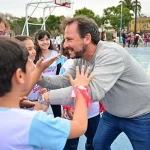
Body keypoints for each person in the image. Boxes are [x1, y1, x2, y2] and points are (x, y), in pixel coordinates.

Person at [26, 16, 150, 150]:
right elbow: (65, 80)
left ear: (87, 38)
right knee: (99, 145)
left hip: (140, 115)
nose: (65, 44)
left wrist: (47, 97)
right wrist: (39, 78)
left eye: (69, 39)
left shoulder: (110, 54)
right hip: (113, 113)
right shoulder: (82, 58)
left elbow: (91, 91)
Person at [0, 36, 94, 150]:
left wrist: (39, 70)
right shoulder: (32, 123)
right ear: (20, 75)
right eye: (28, 61)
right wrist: (81, 89)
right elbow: (79, 127)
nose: (32, 64)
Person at [60, 41, 100, 150]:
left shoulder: (94, 62)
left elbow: (98, 85)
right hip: (72, 112)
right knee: (70, 144)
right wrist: (66, 107)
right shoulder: (66, 65)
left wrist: (101, 104)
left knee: (93, 141)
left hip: (92, 112)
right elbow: (62, 87)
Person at [34, 30, 67, 117]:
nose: (45, 42)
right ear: (37, 42)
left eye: (47, 39)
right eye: (41, 40)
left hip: (54, 89)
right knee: (40, 115)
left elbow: (61, 72)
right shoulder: (35, 56)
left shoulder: (56, 55)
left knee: (57, 115)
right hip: (39, 91)